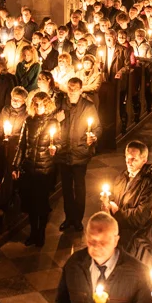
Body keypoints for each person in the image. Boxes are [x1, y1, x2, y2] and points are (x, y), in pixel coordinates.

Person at [54, 212, 152, 303]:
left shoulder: (138, 272)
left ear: (115, 240)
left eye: (103, 241)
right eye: (92, 240)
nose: (97, 246)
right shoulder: (74, 265)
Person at [11, 92, 60, 247]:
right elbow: (21, 145)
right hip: (29, 168)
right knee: (31, 203)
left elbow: (59, 143)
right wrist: (15, 166)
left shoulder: (53, 122)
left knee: (42, 204)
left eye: (42, 104)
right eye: (36, 104)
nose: (39, 107)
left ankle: (41, 233)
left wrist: (55, 148)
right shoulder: (28, 121)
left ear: (47, 105)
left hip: (44, 169)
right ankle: (33, 233)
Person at [55, 77, 101, 233]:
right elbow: (52, 123)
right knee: (66, 188)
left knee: (79, 188)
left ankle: (78, 219)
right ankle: (68, 217)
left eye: (75, 88)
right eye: (69, 88)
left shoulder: (88, 106)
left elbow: (97, 128)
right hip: (63, 152)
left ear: (81, 90)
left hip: (80, 152)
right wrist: (57, 120)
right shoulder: (61, 104)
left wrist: (93, 136)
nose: (72, 91)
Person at [105, 140, 152, 246]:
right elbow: (115, 199)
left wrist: (118, 213)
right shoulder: (122, 176)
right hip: (119, 233)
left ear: (144, 160)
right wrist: (107, 204)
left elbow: (142, 216)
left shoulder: (151, 183)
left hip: (137, 239)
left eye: (134, 159)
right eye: (127, 158)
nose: (129, 162)